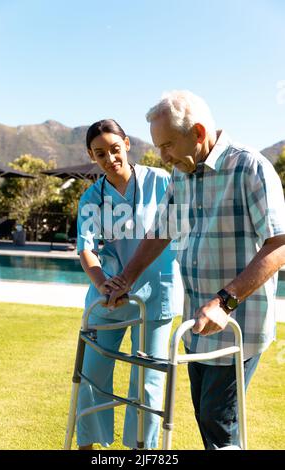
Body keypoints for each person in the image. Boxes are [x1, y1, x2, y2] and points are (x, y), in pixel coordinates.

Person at [106, 91, 285, 449]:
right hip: (195, 326)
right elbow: (160, 232)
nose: (163, 156)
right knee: (209, 422)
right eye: (159, 147)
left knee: (219, 425)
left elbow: (279, 243)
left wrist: (225, 301)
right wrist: (126, 278)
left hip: (236, 326)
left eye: (168, 145)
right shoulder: (181, 174)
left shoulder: (250, 167)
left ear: (199, 133)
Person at [76, 119, 180, 450]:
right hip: (107, 299)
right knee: (91, 376)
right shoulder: (91, 198)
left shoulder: (161, 181)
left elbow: (174, 230)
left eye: (114, 149)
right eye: (100, 153)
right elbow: (86, 249)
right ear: (92, 156)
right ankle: (87, 448)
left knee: (147, 382)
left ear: (127, 145)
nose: (110, 158)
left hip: (155, 295)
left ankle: (141, 452)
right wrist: (104, 284)